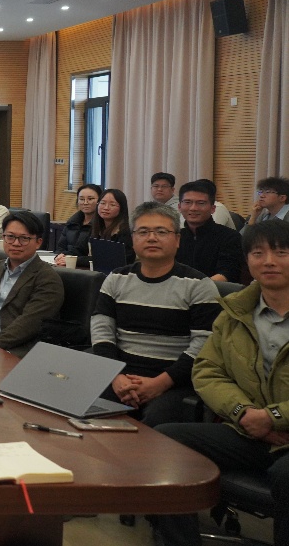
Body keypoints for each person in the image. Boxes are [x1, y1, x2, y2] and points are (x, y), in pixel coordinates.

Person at [149, 219, 289, 546]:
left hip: (278, 429)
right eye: (258, 253)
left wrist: (273, 417)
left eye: (281, 253)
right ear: (247, 261)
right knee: (165, 441)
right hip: (250, 429)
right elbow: (207, 371)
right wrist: (244, 412)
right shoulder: (234, 313)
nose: (269, 261)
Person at [91, 202, 221, 427]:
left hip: (175, 380)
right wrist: (115, 375)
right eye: (143, 232)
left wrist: (161, 383)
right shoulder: (116, 278)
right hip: (120, 373)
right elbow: (102, 330)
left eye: (161, 232)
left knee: (157, 422)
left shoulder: (199, 285)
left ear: (177, 239)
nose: (152, 238)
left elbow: (204, 345)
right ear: (133, 239)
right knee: (81, 408)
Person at [0, 212, 64, 357]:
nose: (16, 243)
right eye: (10, 237)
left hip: (18, 350)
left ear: (38, 242)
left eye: (24, 238)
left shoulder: (48, 279)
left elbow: (28, 326)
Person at [177, 179, 244, 283]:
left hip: (217, 290)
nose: (193, 208)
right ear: (179, 207)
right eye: (187, 202)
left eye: (201, 203)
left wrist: (196, 288)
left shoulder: (230, 237)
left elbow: (228, 273)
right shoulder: (175, 236)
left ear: (213, 208)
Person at [58, 188, 134, 268]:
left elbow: (106, 259)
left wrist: (76, 260)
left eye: (112, 205)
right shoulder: (95, 228)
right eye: (102, 203)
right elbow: (80, 249)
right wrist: (63, 255)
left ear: (122, 208)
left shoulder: (125, 232)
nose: (106, 208)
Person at [54, 183, 101, 262]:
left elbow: (98, 257)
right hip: (66, 263)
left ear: (100, 201)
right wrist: (60, 256)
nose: (85, 203)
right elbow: (60, 248)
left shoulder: (101, 225)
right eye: (81, 199)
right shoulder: (71, 223)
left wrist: (71, 259)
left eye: (90, 199)